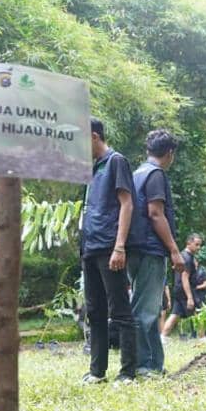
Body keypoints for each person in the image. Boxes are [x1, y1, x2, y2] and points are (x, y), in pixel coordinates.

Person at [80, 119, 140, 383]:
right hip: (89, 247)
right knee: (94, 311)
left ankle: (127, 371)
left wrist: (119, 246)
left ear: (94, 137)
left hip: (109, 246)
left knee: (120, 310)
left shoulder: (117, 161)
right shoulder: (92, 168)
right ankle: (97, 371)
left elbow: (126, 204)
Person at [127, 129, 185, 376]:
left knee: (145, 305)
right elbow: (155, 213)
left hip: (133, 248)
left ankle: (153, 364)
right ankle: (143, 365)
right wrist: (174, 250)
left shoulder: (136, 173)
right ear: (170, 153)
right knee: (145, 310)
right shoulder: (156, 174)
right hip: (151, 249)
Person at [162, 233, 203, 338]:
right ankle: (202, 338)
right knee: (198, 313)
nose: (199, 247)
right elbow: (185, 278)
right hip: (185, 290)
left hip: (178, 289)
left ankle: (162, 338)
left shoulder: (182, 256)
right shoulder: (187, 258)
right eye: (196, 244)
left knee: (175, 314)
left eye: (200, 245)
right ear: (189, 243)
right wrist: (190, 297)